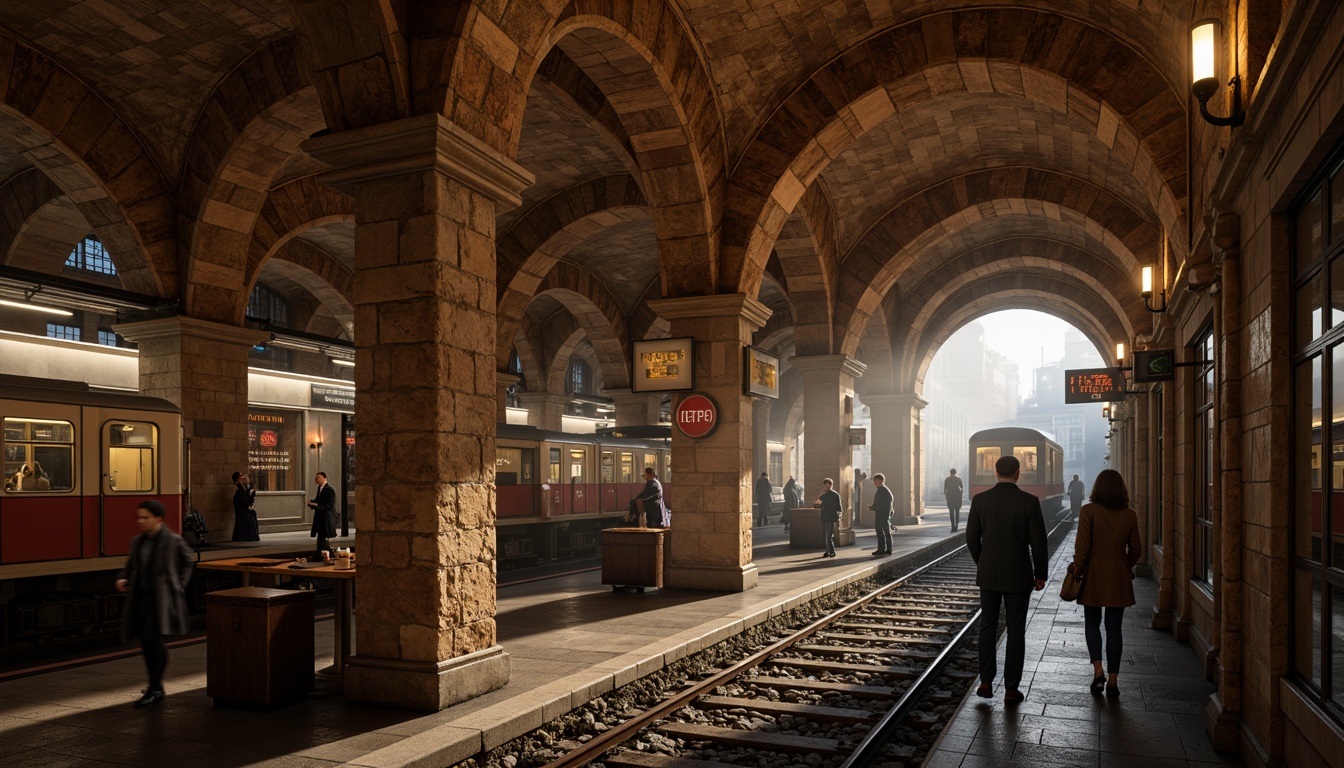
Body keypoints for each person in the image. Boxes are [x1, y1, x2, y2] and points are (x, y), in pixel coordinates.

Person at [965, 455, 1048, 704]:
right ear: (1018, 473)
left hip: (989, 575)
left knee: (987, 627)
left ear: (995, 472)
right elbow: (1039, 542)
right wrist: (1040, 574)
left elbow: (971, 538)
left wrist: (983, 561)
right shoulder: (1030, 502)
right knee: (1015, 631)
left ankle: (986, 682)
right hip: (1018, 574)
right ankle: (1011, 688)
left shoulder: (980, 501)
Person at [115, 500, 195, 707]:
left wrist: (179, 584)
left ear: (158, 519)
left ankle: (156, 687)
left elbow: (188, 560)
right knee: (146, 642)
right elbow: (131, 566)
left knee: (153, 641)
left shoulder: (172, 540)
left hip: (160, 600)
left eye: (145, 518)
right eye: (139, 517)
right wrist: (123, 578)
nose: (140, 521)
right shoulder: (138, 541)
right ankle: (155, 686)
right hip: (140, 599)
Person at [1075, 469, 1142, 697]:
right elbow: (1136, 550)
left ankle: (1098, 672)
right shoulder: (1129, 515)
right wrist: (1124, 564)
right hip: (1118, 577)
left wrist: (1077, 568)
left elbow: (1082, 549)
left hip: (1093, 575)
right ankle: (1113, 680)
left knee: (1092, 624)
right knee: (1114, 627)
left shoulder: (1088, 511)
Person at [308, 471, 336, 556]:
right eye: (316, 478)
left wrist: (318, 506)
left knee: (323, 536)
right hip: (320, 516)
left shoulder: (329, 489)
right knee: (320, 536)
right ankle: (323, 554)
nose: (317, 479)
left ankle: (326, 554)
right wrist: (312, 503)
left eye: (319, 477)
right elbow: (318, 500)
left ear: (325, 478)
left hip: (326, 517)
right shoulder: (320, 488)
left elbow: (329, 505)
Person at [814, 478, 841, 558]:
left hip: (828, 516)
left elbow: (816, 505)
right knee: (828, 535)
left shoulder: (826, 495)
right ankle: (828, 550)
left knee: (828, 535)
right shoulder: (833, 495)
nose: (826, 487)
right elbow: (839, 507)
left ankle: (830, 550)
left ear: (830, 485)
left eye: (827, 485)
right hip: (829, 516)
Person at [230, 471, 260, 542]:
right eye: (240, 476)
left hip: (245, 506)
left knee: (251, 517)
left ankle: (250, 536)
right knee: (245, 520)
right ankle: (245, 536)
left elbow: (249, 495)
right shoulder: (240, 489)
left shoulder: (245, 487)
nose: (243, 477)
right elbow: (241, 498)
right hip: (242, 507)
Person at [869, 473, 894, 556]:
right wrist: (874, 507)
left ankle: (884, 549)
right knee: (883, 531)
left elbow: (882, 502)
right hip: (883, 513)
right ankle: (884, 549)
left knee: (883, 531)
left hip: (883, 513)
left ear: (881, 481)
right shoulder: (883, 490)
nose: (874, 483)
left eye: (875, 481)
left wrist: (874, 507)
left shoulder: (882, 490)